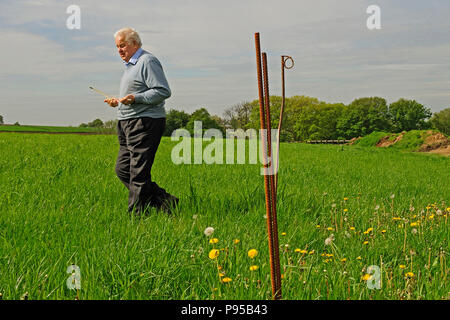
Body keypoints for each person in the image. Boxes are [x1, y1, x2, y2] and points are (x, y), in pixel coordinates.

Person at [104, 27, 178, 215]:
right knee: (123, 169)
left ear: (135, 44)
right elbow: (133, 95)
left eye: (123, 45)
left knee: (138, 173)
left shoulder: (147, 61)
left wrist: (136, 98)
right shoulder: (130, 67)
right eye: (117, 47)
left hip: (145, 122)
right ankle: (165, 200)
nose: (119, 50)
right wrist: (119, 102)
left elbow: (162, 91)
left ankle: (136, 218)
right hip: (126, 122)